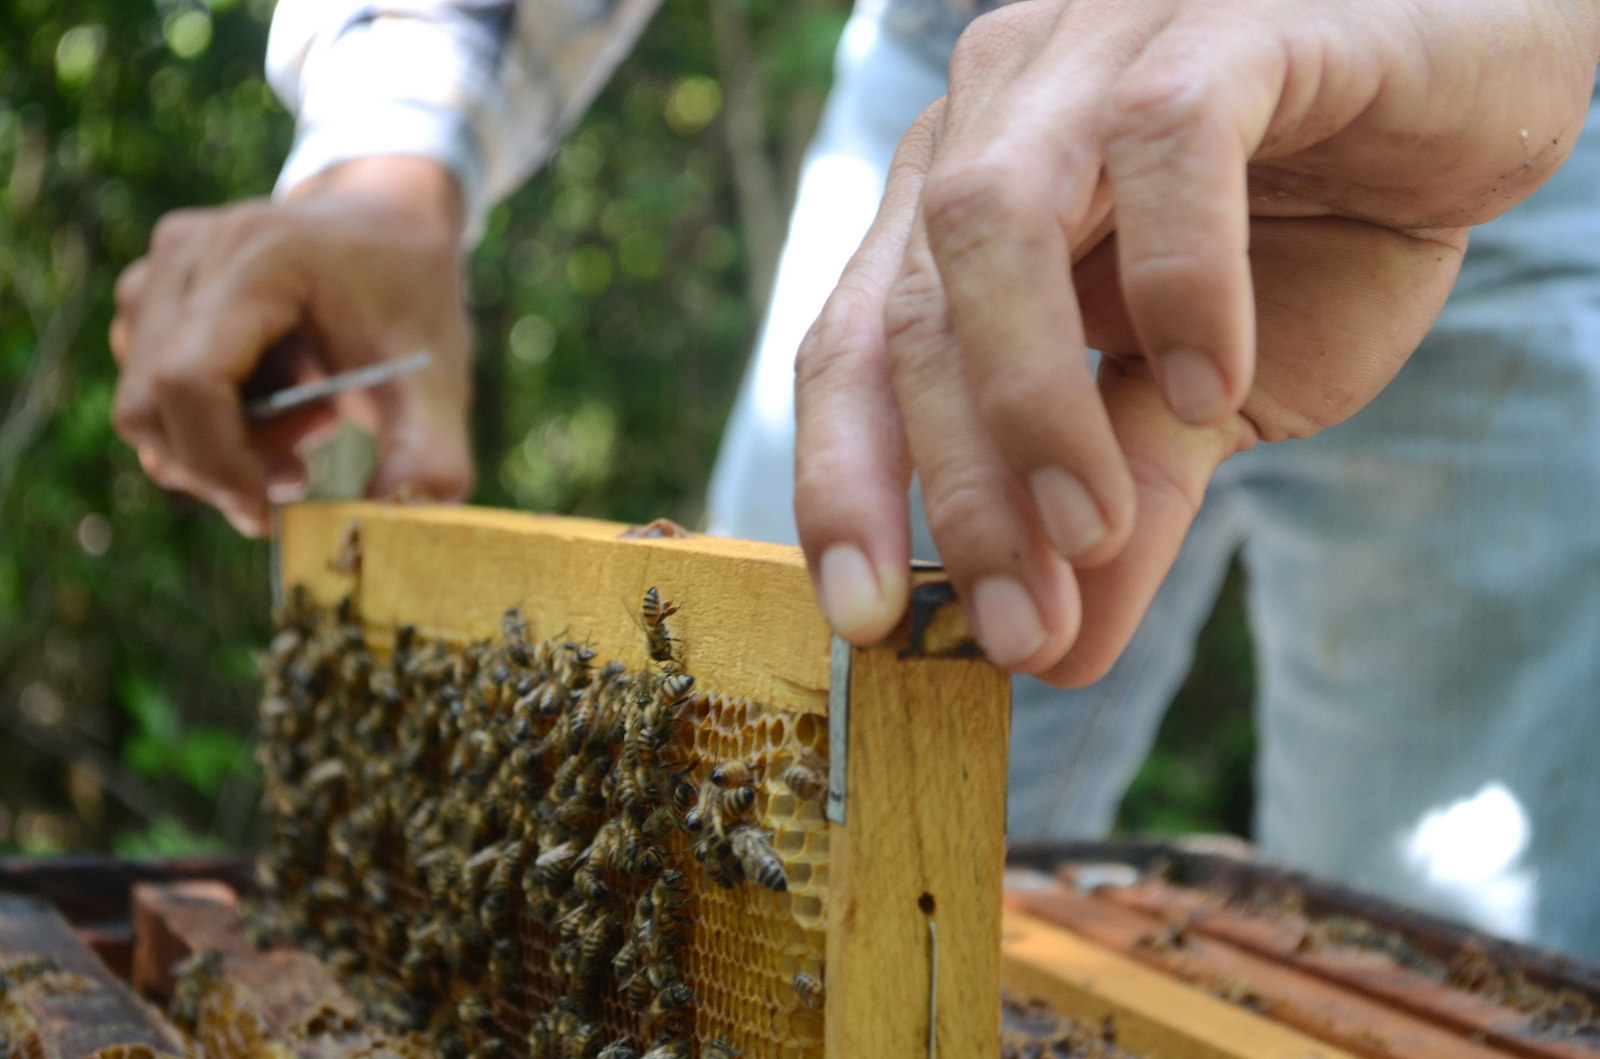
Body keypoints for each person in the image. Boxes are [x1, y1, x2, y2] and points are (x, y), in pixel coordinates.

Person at [108, 0, 1600, 956]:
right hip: (980, 91)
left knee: (1436, 932)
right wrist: (389, 154)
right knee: (769, 849)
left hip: (1483, 100)